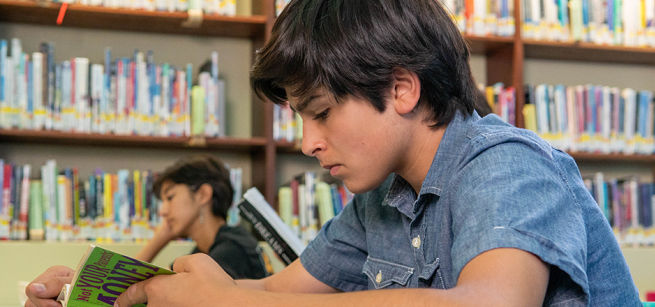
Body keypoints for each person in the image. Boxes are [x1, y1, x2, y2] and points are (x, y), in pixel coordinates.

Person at [26, 1, 641, 307]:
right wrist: (107, 291)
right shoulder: (376, 202)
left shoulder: (507, 163)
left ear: (401, 88)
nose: (307, 141)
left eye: (319, 112)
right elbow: (272, 293)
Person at [134, 154, 268, 280]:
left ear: (203, 194)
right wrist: (161, 237)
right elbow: (127, 287)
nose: (162, 211)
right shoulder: (204, 250)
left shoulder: (231, 252)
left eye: (170, 198)